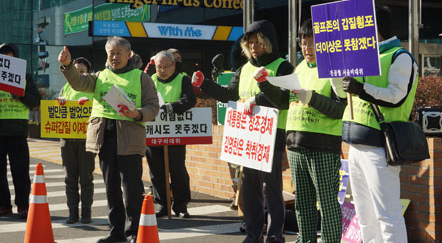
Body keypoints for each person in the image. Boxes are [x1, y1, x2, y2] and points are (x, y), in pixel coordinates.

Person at [192, 20, 293, 243]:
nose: (254, 47)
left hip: (272, 134)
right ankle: (253, 234)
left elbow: (284, 98)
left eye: (258, 42)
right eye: (250, 43)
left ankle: (275, 236)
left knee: (271, 190)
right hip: (247, 135)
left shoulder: (282, 66)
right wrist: (205, 84)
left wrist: (257, 99)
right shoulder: (244, 68)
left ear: (268, 42)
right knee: (249, 189)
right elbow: (229, 95)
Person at [58, 36, 159, 243]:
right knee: (111, 187)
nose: (114, 57)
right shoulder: (99, 76)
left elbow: (153, 107)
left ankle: (134, 233)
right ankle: (116, 232)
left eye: (118, 53)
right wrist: (67, 65)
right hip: (104, 138)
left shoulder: (141, 78)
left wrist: (138, 113)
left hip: (129, 139)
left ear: (129, 54)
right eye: (111, 53)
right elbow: (78, 82)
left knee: (132, 189)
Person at [256, 18, 346, 243]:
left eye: (313, 43)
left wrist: (312, 98)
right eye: (303, 43)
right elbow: (285, 102)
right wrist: (265, 85)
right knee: (303, 204)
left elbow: (340, 109)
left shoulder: (334, 68)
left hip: (323, 146)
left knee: (327, 203)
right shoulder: (300, 67)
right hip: (295, 145)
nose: (307, 48)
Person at [336, 6, 417, 243]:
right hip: (356, 145)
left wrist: (361, 89)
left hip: (381, 147)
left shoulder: (400, 57)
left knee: (387, 215)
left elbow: (396, 96)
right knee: (365, 216)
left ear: (374, 29)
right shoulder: (361, 57)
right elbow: (342, 95)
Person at [0, 43, 42, 219]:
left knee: (19, 170)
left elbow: (35, 101)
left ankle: (23, 205)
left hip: (17, 131)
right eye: (3, 56)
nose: (7, 59)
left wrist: (19, 93)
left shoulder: (25, 77)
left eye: (10, 56)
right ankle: (3, 205)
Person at [146, 50, 196, 218]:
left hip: (176, 133)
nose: (163, 70)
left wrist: (171, 107)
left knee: (178, 170)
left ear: (174, 65)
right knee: (157, 170)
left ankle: (181, 205)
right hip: (153, 133)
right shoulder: (150, 80)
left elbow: (190, 100)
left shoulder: (183, 79)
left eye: (166, 66)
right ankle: (162, 203)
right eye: (159, 67)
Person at [56, 57, 96, 224]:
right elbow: (56, 109)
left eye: (82, 72)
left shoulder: (92, 88)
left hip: (86, 139)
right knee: (70, 178)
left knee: (86, 178)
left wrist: (89, 104)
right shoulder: (65, 87)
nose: (78, 75)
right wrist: (60, 103)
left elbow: (101, 108)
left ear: (88, 73)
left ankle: (86, 212)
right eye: (75, 71)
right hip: (67, 138)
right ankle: (73, 212)